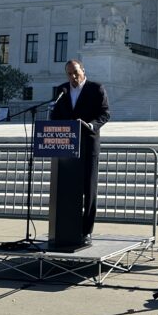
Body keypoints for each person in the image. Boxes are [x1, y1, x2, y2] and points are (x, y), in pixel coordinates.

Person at [50, 59, 110, 242]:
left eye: (76, 72)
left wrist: (91, 125)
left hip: (89, 144)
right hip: (67, 146)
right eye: (69, 73)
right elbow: (55, 115)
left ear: (83, 70)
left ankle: (87, 230)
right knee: (68, 186)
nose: (73, 77)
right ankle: (69, 226)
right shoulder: (62, 90)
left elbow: (105, 113)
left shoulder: (96, 88)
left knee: (88, 189)